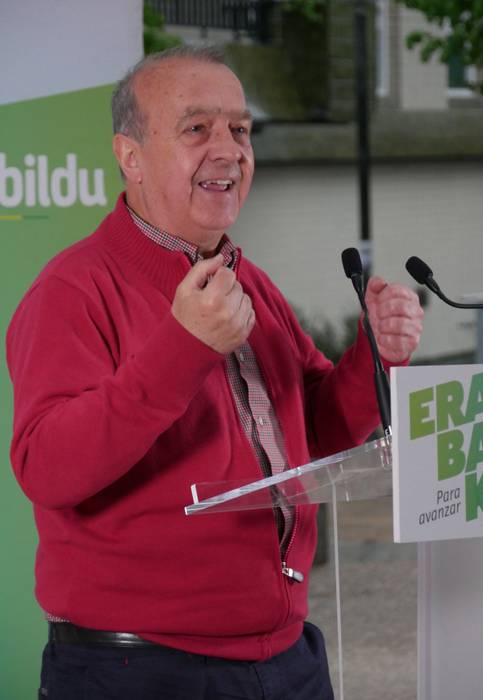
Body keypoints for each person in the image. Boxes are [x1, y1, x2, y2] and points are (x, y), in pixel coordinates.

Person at [6, 46, 423, 699]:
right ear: (131, 156)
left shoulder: (249, 282)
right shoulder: (72, 290)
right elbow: (46, 469)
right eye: (197, 128)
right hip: (140, 670)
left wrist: (376, 355)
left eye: (240, 129)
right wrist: (183, 347)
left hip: (287, 658)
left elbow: (317, 432)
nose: (228, 150)